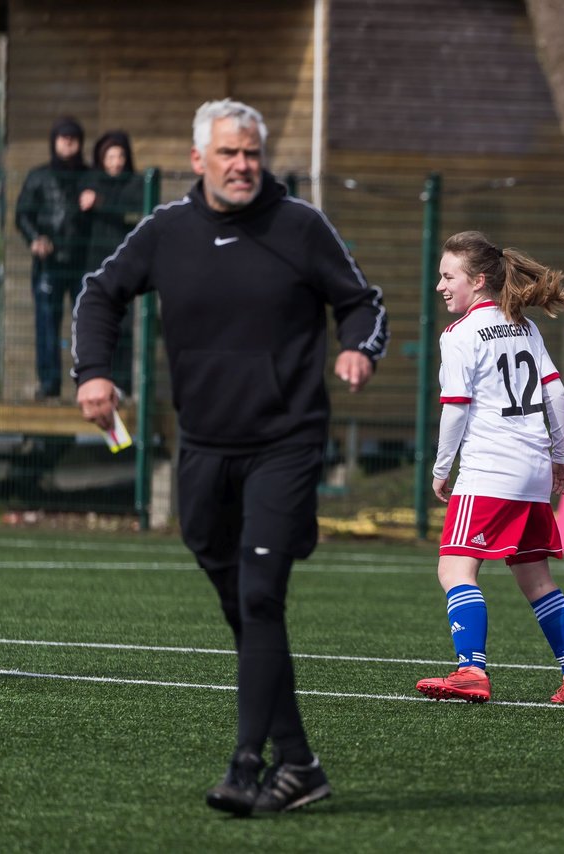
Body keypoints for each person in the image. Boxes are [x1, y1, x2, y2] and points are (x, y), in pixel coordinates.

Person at [72, 99, 388, 816]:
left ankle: (247, 766)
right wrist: (93, 370)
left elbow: (364, 304)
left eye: (251, 153)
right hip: (204, 448)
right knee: (242, 608)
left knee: (259, 595)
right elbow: (99, 293)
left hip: (286, 441)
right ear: (198, 161)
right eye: (228, 154)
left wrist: (355, 349)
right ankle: (300, 763)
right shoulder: (166, 232)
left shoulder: (300, 226)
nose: (243, 165)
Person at [413, 231, 564, 705]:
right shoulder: (523, 325)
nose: (441, 286)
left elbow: (455, 408)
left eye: (449, 277)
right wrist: (558, 457)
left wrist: (441, 468)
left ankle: (471, 670)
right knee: (535, 577)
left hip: (489, 470)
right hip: (531, 470)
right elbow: (554, 392)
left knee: (454, 569)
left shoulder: (460, 333)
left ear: (479, 280)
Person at [16, 116, 90, 400]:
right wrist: (35, 238)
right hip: (49, 264)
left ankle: (88, 384)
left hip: (84, 262)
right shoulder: (38, 176)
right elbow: (22, 213)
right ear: (54, 141)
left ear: (80, 143)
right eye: (63, 136)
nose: (68, 141)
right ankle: (49, 386)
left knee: (88, 323)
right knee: (46, 323)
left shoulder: (89, 176)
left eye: (73, 136)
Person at [79, 130, 145, 395]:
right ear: (101, 159)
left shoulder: (137, 184)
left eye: (120, 156)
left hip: (126, 264)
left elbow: (134, 210)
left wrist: (101, 203)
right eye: (110, 156)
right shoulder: (90, 182)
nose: (116, 162)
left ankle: (124, 384)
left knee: (125, 327)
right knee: (98, 325)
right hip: (95, 264)